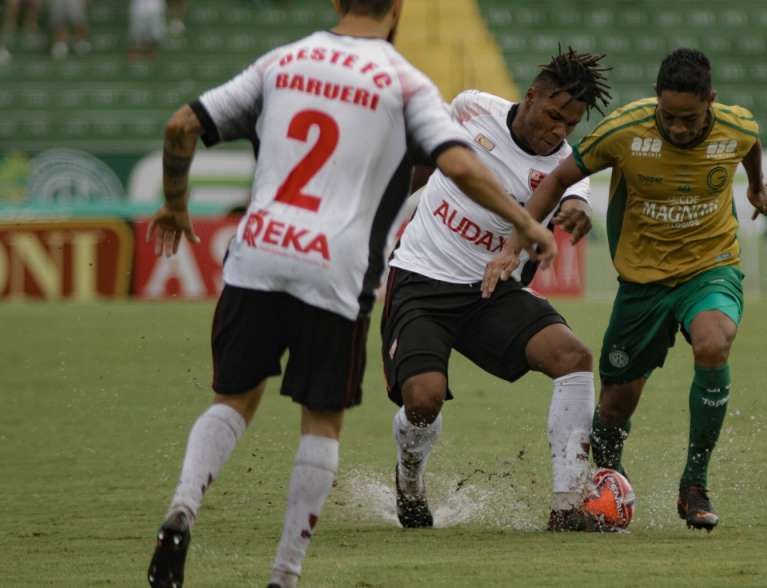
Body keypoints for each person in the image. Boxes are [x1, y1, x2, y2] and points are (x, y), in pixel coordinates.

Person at [144, 1, 556, 587]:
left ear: (337, 3)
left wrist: (175, 202)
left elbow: (182, 125)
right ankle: (284, 575)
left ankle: (184, 506)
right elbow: (459, 162)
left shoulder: (281, 62)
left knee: (231, 400)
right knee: (321, 422)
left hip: (257, 254)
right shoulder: (405, 84)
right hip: (333, 269)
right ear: (397, 10)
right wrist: (528, 223)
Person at [487, 48, 767, 533]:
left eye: (690, 118)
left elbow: (749, 145)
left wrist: (756, 187)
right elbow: (559, 178)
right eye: (669, 116)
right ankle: (610, 475)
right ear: (656, 102)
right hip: (642, 284)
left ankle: (694, 483)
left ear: (711, 102)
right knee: (615, 405)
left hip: (710, 268)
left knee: (713, 341)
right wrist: (515, 243)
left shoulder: (736, 125)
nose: (678, 128)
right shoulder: (625, 130)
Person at [381, 46, 613, 532]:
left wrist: (575, 213)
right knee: (423, 400)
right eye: (552, 116)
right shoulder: (471, 107)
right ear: (531, 96)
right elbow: (430, 158)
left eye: (568, 125)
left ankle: (567, 506)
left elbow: (575, 199)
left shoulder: (567, 166)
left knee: (573, 357)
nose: (557, 131)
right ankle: (409, 480)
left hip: (492, 292)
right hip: (422, 279)